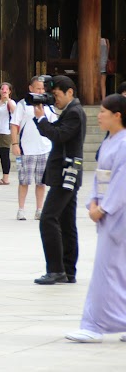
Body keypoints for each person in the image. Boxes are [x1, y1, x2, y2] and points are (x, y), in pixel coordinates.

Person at [65, 94, 126, 343]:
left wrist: (104, 208)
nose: (98, 116)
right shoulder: (110, 140)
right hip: (106, 208)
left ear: (117, 115)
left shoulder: (124, 143)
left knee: (107, 269)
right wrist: (93, 201)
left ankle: (94, 325)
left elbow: (122, 181)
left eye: (103, 112)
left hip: (118, 212)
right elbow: (100, 176)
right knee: (115, 269)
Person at [32, 75, 87, 285]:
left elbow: (59, 135)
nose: (54, 99)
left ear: (69, 92)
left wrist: (41, 119)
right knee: (66, 222)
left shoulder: (74, 112)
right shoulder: (71, 111)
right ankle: (68, 270)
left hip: (66, 172)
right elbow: (56, 132)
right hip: (68, 171)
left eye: (56, 95)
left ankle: (56, 270)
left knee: (48, 218)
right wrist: (42, 119)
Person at [11, 76, 56, 221]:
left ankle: (39, 209)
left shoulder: (48, 105)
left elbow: (54, 124)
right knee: (24, 181)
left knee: (41, 182)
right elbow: (14, 125)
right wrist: (15, 143)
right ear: (31, 88)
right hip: (27, 149)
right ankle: (21, 209)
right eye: (38, 88)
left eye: (43, 88)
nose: (41, 91)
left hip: (45, 148)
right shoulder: (23, 104)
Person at [100, 37, 110, 102]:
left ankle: (96, 98)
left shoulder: (93, 40)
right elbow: (107, 52)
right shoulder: (106, 41)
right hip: (104, 62)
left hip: (95, 63)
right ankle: (103, 99)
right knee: (103, 83)